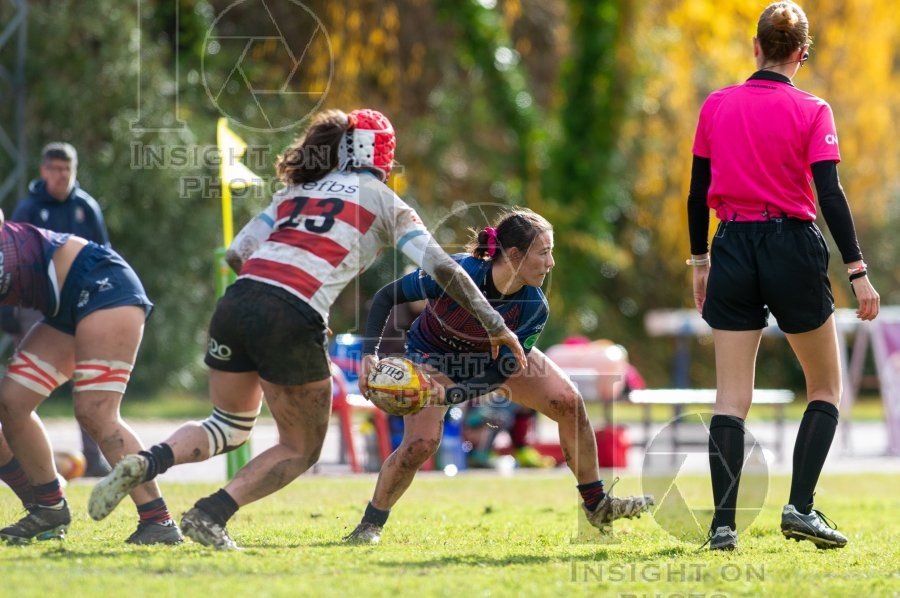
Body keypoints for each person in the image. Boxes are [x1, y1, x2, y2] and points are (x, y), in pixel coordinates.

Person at [87, 108, 526, 549]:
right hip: (292, 311)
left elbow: (238, 253)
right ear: (386, 158)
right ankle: (209, 514)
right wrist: (495, 326)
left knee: (229, 424)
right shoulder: (384, 200)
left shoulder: (295, 193)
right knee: (301, 447)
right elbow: (445, 269)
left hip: (237, 302)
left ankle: (149, 460)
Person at [686, 1, 880, 551]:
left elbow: (698, 194)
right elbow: (831, 195)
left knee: (731, 396)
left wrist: (699, 262)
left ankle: (723, 525)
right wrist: (858, 271)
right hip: (790, 246)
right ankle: (800, 507)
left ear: (756, 47)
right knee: (825, 386)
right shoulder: (813, 109)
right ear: (801, 53)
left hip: (731, 246)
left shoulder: (716, 105)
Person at [344, 209, 653, 544]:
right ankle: (370, 525)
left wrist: (451, 396)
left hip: (493, 360)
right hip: (433, 356)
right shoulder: (456, 271)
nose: (551, 263)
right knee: (421, 443)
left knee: (569, 402)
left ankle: (597, 505)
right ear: (515, 255)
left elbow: (503, 370)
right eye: (544, 253)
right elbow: (385, 296)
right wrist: (368, 356)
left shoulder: (534, 306)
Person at [0, 213, 181, 545]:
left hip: (103, 282)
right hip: (63, 306)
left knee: (95, 411)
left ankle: (159, 521)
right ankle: (49, 508)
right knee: (12, 401)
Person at [4, 141, 112, 477]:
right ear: (43, 171)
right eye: (55, 169)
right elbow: (11, 259)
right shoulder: (29, 208)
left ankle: (93, 458)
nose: (61, 175)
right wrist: (10, 311)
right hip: (37, 306)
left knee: (87, 379)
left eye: (67, 169)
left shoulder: (86, 207)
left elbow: (104, 254)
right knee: (25, 384)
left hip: (79, 305)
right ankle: (21, 458)